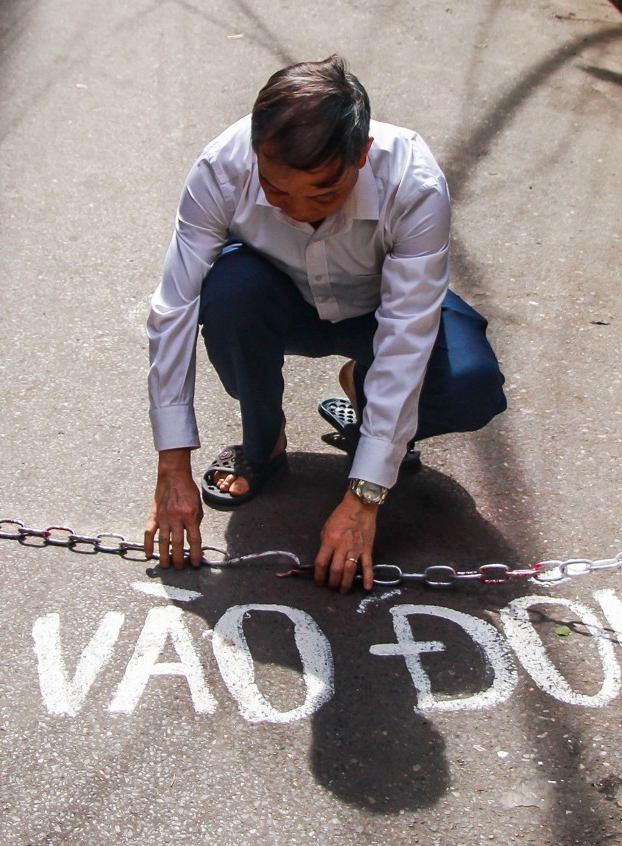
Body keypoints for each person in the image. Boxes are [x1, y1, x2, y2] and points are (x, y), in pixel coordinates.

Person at [142, 56, 508, 592]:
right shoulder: (223, 166)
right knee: (226, 293)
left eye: (320, 194)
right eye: (276, 190)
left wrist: (364, 497)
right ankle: (263, 441)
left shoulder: (414, 181)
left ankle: (365, 397)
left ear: (360, 156)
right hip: (281, 297)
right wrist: (171, 468)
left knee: (471, 385)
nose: (296, 211)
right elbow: (173, 308)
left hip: (383, 310)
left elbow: (407, 336)